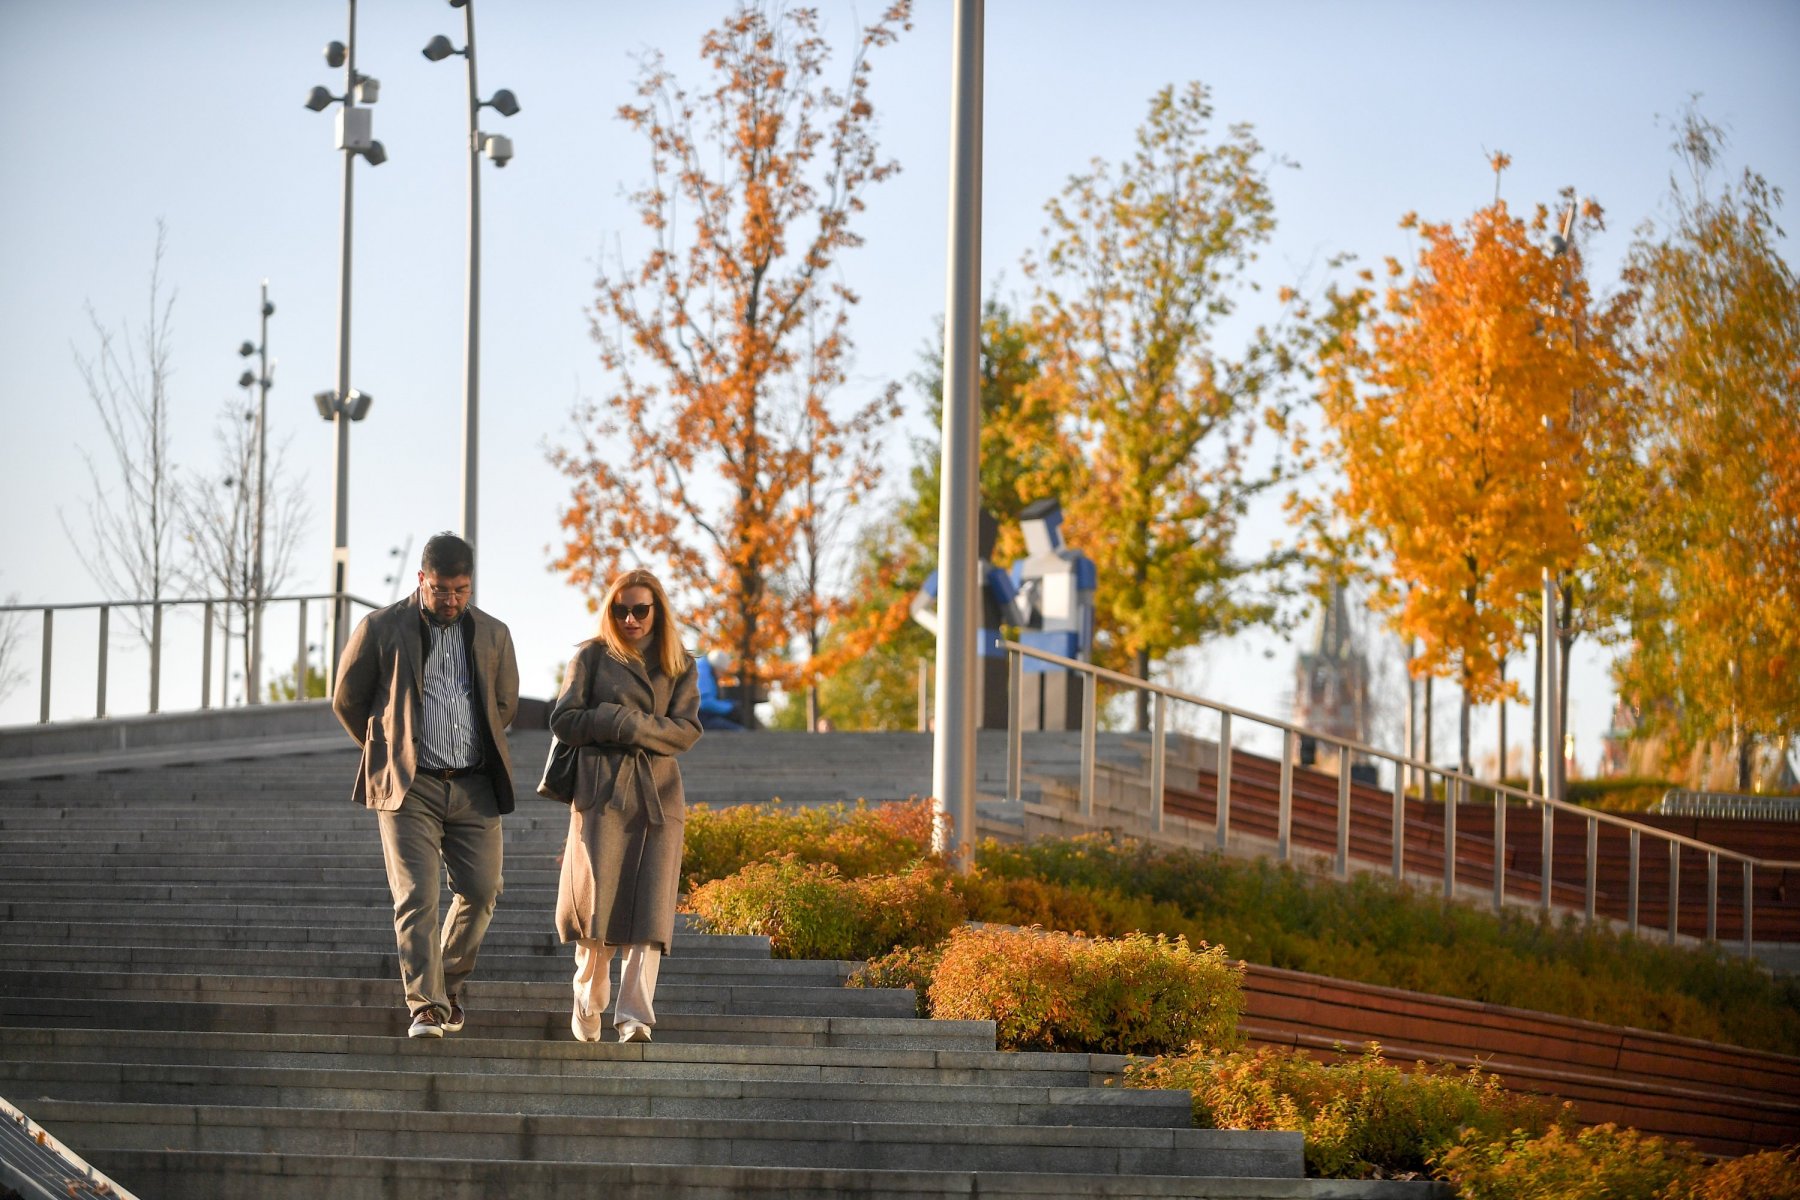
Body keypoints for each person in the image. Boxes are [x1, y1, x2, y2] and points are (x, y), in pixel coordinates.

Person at [331, 532, 519, 1040]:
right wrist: (388, 752)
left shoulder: (494, 634)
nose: (452, 599)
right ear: (421, 580)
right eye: (441, 589)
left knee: (482, 892)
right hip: (409, 787)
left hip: (475, 785)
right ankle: (427, 1006)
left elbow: (505, 706)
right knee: (417, 896)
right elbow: (346, 699)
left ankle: (446, 983)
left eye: (461, 589)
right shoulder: (381, 627)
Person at [550, 568, 702, 1043]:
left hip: (657, 795)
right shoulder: (592, 656)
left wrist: (636, 727)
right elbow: (563, 720)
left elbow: (687, 730)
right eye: (621, 609)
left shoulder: (678, 663)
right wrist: (614, 721)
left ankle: (634, 1015)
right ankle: (587, 996)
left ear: (657, 609)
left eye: (640, 609)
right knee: (596, 910)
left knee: (650, 913)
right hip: (601, 793)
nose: (630, 618)